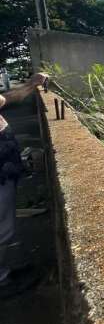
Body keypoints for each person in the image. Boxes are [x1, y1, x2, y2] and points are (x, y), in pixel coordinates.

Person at [0, 72, 48, 297]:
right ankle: (3, 282)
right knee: (2, 228)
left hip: (5, 165)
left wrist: (32, 84)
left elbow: (5, 99)